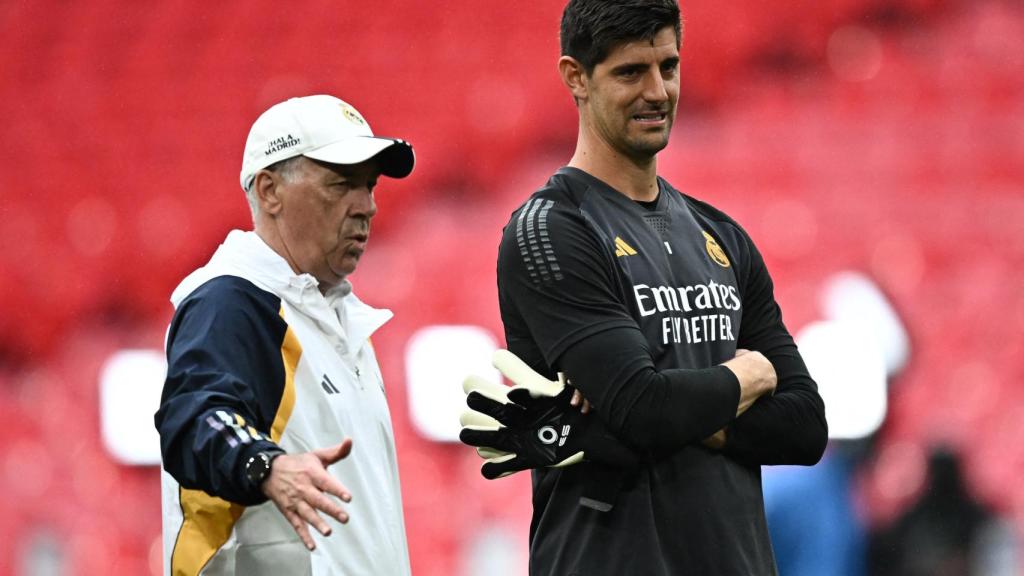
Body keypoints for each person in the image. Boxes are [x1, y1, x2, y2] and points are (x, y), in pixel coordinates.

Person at [464, 1, 828, 574]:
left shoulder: (722, 234)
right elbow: (645, 409)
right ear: (575, 77)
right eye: (631, 72)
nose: (658, 91)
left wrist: (667, 413)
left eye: (669, 66)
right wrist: (745, 377)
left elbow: (806, 427)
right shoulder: (551, 230)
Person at [154, 94, 415, 576]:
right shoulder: (233, 302)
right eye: (341, 185)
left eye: (370, 186)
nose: (368, 207)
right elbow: (194, 416)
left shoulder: (332, 313)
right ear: (270, 190)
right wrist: (265, 465)